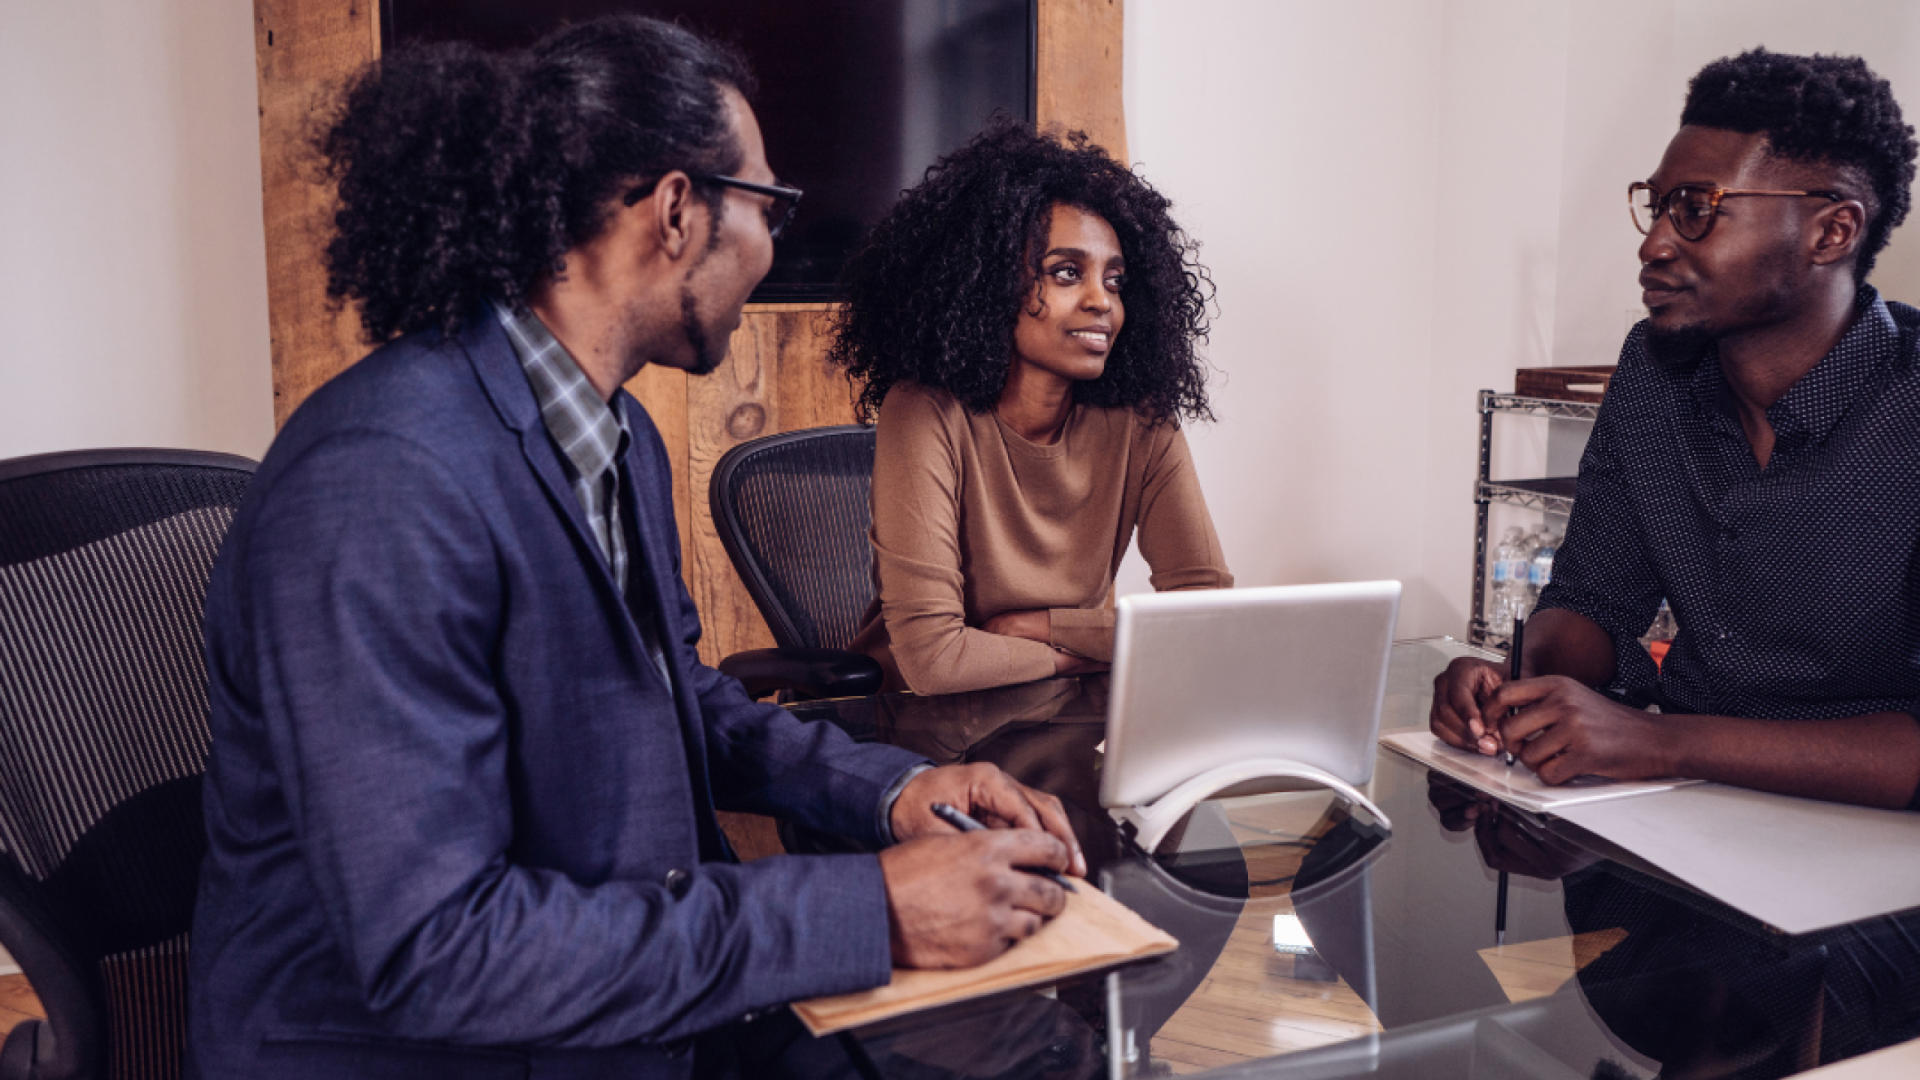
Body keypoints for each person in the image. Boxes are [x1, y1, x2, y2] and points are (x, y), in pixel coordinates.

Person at [187, 18, 1089, 1079]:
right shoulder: (381, 480)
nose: (774, 247)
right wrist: (870, 910)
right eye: (769, 207)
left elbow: (684, 707)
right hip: (427, 1051)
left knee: (1044, 1055)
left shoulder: (616, 436)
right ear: (674, 210)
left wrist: (892, 795)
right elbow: (438, 952)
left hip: (620, 1000)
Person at [1430, 48, 1920, 811]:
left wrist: (1658, 741)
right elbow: (1592, 599)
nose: (1653, 244)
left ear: (1832, 232)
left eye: (1696, 209)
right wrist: (1513, 681)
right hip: (1675, 811)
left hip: (1870, 862)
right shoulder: (1656, 374)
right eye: (1656, 206)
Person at [833, 124, 1233, 696]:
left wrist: (1045, 628)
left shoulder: (1141, 422)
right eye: (1067, 272)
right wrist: (1085, 655)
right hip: (926, 730)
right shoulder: (926, 412)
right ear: (991, 283)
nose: (1102, 302)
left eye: (1115, 281)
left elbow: (1208, 616)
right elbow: (935, 660)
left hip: (1065, 721)